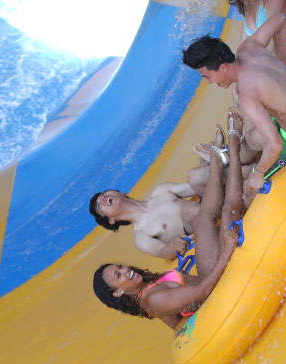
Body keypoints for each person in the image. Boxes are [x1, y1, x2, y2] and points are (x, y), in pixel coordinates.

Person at [92, 111, 243, 330]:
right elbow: (200, 291)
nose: (125, 270)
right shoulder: (151, 295)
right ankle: (231, 150)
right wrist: (227, 250)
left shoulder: (145, 288)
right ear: (118, 292)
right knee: (211, 218)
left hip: (206, 272)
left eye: (120, 266)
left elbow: (174, 318)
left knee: (202, 210)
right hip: (214, 288)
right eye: (118, 275)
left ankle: (219, 159)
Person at [182, 19, 286, 204]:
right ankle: (234, 159)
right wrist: (283, 61)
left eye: (207, 76)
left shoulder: (248, 96)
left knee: (249, 188)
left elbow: (275, 145)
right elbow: (280, 20)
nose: (207, 82)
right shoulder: (249, 46)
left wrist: (258, 174)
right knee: (252, 136)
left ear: (223, 67)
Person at [89, 181, 199, 260]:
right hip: (195, 222)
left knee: (196, 175)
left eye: (103, 194)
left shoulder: (160, 191)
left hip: (205, 206)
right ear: (111, 220)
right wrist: (174, 245)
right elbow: (163, 252)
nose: (103, 198)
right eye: (99, 205)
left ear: (121, 193)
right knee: (187, 211)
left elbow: (194, 186)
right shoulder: (141, 236)